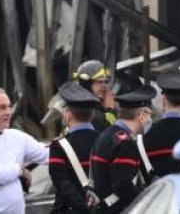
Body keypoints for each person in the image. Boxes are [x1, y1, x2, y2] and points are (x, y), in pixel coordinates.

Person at [88, 83, 156, 212]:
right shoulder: (125, 143)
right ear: (141, 116)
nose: (150, 120)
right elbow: (122, 185)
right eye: (149, 116)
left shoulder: (107, 135)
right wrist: (144, 204)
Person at [49, 82, 101, 213]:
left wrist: (83, 208)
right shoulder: (106, 140)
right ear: (92, 115)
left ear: (68, 115)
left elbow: (62, 184)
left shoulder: (59, 146)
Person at [74, 60, 116, 131]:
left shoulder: (93, 108)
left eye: (105, 82)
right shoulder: (86, 112)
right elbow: (111, 132)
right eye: (100, 82)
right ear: (86, 84)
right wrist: (110, 108)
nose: (105, 86)